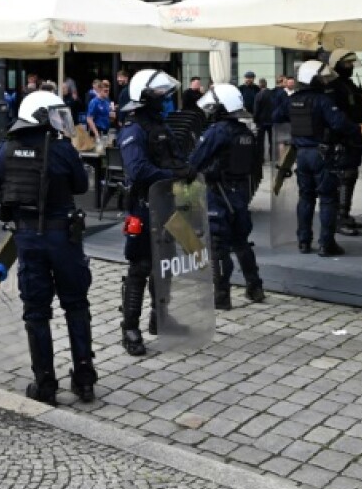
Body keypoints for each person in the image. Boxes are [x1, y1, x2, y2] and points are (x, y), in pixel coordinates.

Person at [0, 91, 95, 403]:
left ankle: (45, 384)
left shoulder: (4, 151)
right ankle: (84, 380)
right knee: (76, 306)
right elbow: (81, 186)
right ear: (40, 115)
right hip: (64, 238)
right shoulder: (63, 149)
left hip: (28, 239)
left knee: (36, 312)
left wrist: (9, 202)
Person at [117, 69, 193, 356]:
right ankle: (130, 327)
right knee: (140, 267)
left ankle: (159, 317)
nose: (163, 99)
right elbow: (137, 171)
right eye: (157, 95)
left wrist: (187, 169)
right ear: (142, 97)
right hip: (144, 206)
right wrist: (172, 175)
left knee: (166, 264)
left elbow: (176, 156)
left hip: (167, 205)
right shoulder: (133, 129)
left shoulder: (161, 125)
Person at [188, 84, 264, 310]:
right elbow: (253, 165)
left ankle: (222, 296)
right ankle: (255, 286)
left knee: (219, 245)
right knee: (241, 241)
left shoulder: (218, 130)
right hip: (239, 193)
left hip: (218, 193)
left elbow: (195, 160)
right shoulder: (246, 133)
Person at [274, 60, 355, 256]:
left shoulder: (292, 100)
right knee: (327, 199)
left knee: (306, 198)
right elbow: (340, 124)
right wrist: (355, 129)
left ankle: (303, 241)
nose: (324, 81)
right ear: (313, 79)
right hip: (321, 153)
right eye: (321, 77)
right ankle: (326, 244)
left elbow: (276, 115)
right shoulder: (322, 100)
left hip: (301, 155)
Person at [325, 51, 362, 236]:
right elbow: (337, 117)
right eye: (347, 63)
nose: (350, 67)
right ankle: (339, 218)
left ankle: (345, 214)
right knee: (343, 177)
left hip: (355, 137)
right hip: (342, 138)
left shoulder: (349, 85)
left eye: (352, 63)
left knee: (351, 176)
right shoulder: (333, 87)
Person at [253, 78, 274, 160]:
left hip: (261, 121)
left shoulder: (258, 95)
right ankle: (272, 157)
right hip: (271, 121)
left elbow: (256, 109)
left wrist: (255, 119)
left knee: (260, 141)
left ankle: (261, 158)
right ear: (266, 84)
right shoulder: (272, 94)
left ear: (259, 85)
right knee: (271, 140)